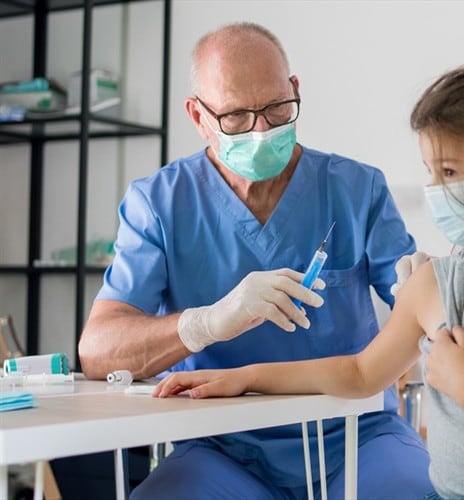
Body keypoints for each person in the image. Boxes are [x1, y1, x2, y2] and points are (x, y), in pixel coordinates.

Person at [154, 62, 464, 499]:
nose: (434, 191)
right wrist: (246, 377)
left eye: (449, 171)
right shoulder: (436, 287)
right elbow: (361, 373)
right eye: (430, 171)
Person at [77, 22, 433, 499]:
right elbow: (98, 349)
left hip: (355, 436)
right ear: (198, 115)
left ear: (295, 91)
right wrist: (204, 324)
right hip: (222, 450)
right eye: (237, 117)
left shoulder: (355, 190)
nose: (262, 130)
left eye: (275, 108)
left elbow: (422, 307)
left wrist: (432, 289)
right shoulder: (160, 203)